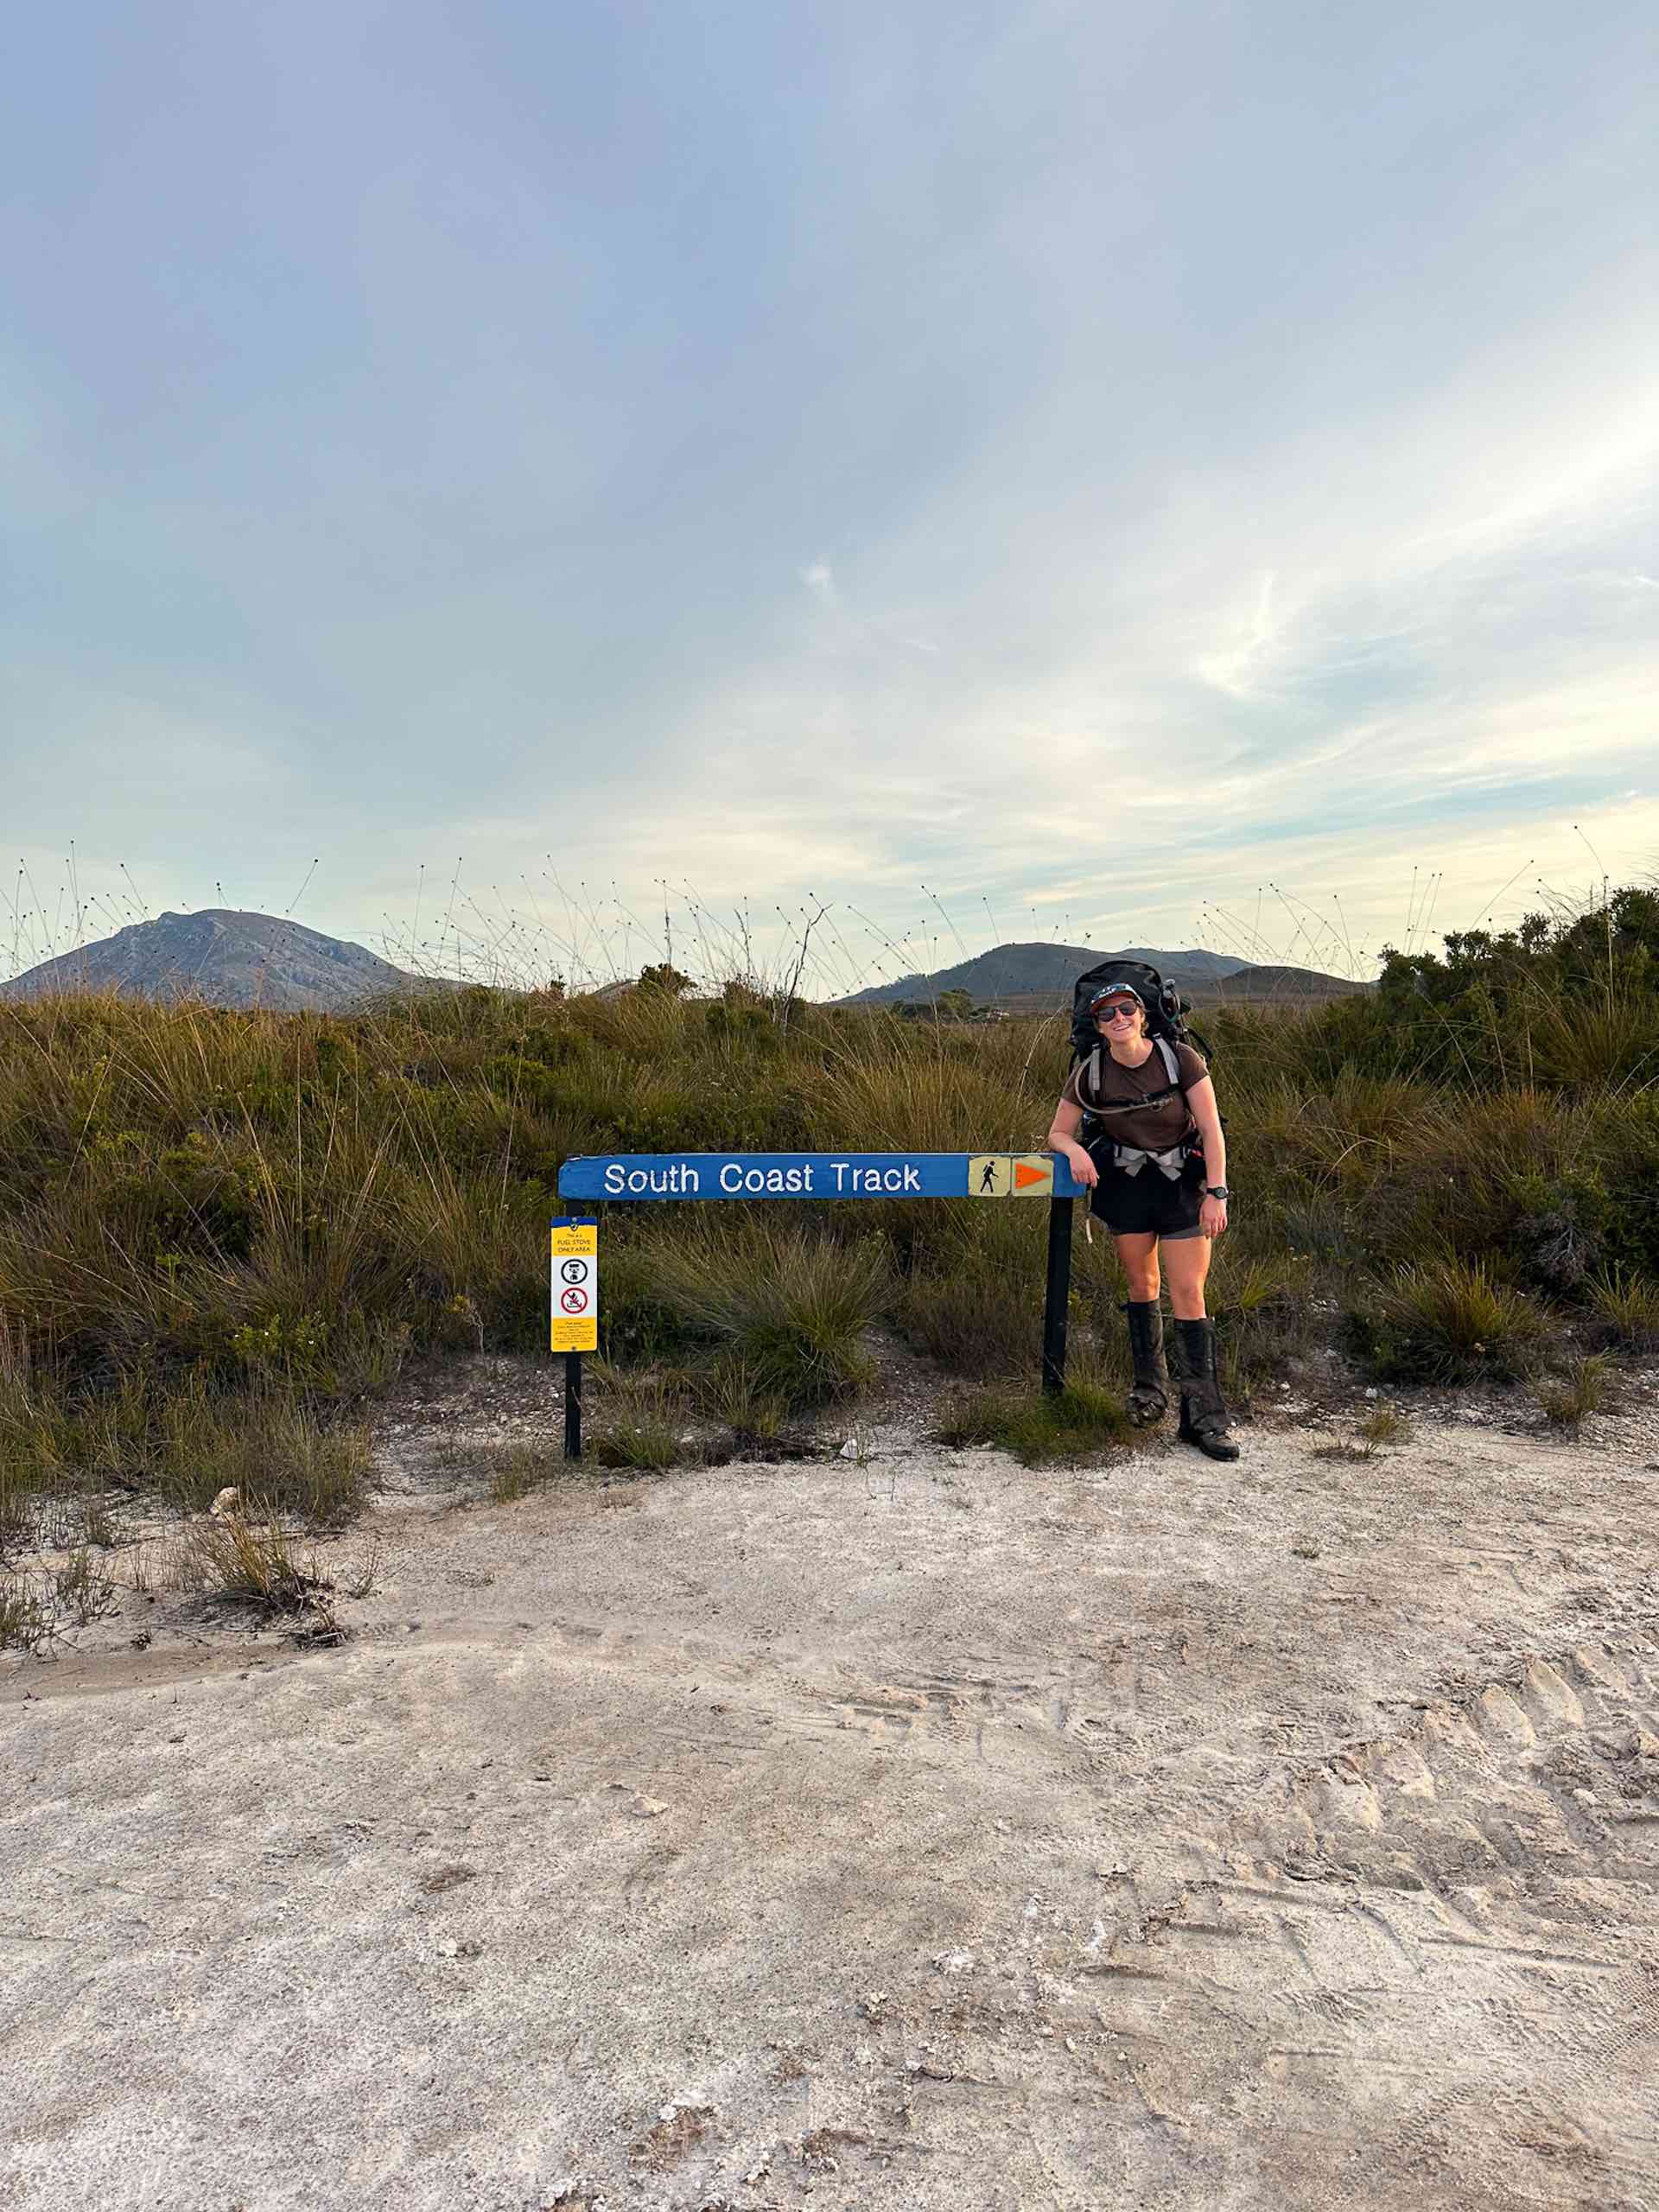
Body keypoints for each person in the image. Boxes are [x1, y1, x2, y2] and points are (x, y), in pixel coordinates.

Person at [1046, 981, 1237, 1459]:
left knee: (1189, 1292)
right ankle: (1149, 1392)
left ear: (1143, 1014)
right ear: (1097, 1025)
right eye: (1107, 1014)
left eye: (1126, 1009)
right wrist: (1074, 1153)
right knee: (1140, 1285)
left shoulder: (1180, 1061)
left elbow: (1212, 1130)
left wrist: (1217, 1193)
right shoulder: (1090, 1074)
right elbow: (1056, 1133)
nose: (1118, 1019)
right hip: (1127, 1187)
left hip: (1180, 1186)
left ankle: (1205, 1417)